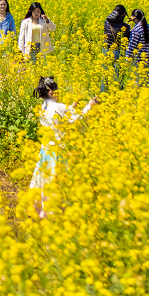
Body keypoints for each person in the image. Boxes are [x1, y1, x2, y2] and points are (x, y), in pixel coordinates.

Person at [30, 77, 97, 217]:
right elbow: (77, 121)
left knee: (46, 181)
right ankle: (55, 213)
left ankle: (41, 210)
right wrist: (90, 105)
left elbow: (59, 119)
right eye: (57, 91)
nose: (58, 93)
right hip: (59, 152)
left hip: (47, 150)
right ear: (51, 93)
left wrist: (72, 107)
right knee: (57, 183)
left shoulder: (43, 107)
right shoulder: (59, 107)